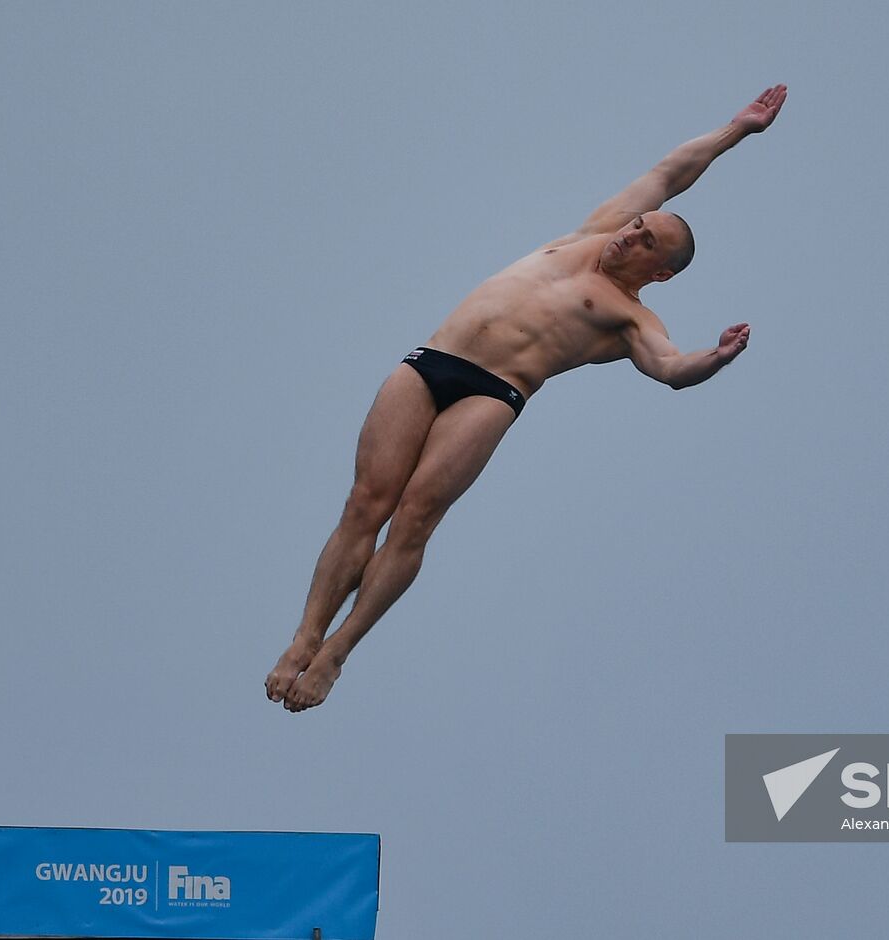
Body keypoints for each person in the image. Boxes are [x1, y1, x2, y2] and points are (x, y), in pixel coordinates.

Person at [265, 84, 789, 712]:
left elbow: (672, 369)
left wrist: (717, 357)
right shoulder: (592, 235)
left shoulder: (631, 319)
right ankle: (303, 638)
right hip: (431, 361)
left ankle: (336, 654)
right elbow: (668, 173)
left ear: (661, 273)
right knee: (364, 503)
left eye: (648, 242)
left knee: (413, 520)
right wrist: (738, 129)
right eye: (639, 226)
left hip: (492, 392)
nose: (632, 235)